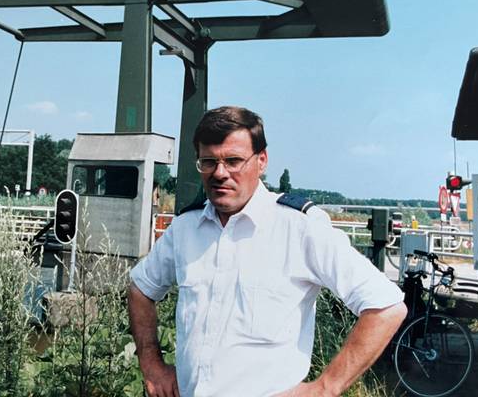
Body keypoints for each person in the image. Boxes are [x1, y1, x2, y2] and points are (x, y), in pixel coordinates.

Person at [128, 106, 407, 397]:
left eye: (233, 161)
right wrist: (152, 365)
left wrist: (325, 388)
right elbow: (140, 290)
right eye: (208, 162)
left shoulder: (299, 228)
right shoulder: (185, 228)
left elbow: (386, 306)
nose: (220, 173)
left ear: (261, 161)